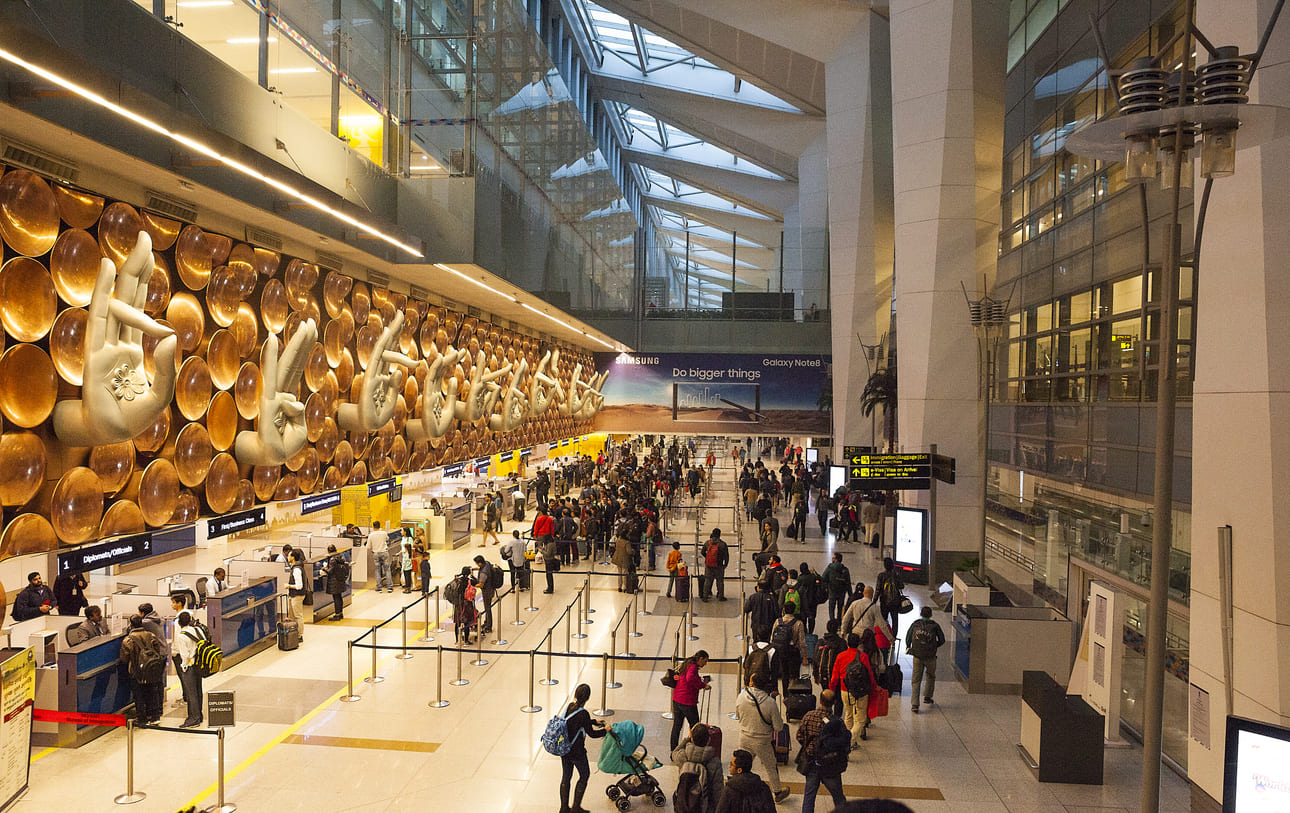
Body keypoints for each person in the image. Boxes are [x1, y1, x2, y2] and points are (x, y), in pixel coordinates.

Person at [734, 679, 790, 803]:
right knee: (771, 766)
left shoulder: (741, 696)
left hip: (744, 737)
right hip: (762, 741)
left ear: (752, 684)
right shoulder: (770, 703)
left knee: (742, 764)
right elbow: (778, 727)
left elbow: (737, 716)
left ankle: (736, 789)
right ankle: (777, 792)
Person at [796, 690, 850, 813]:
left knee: (809, 797)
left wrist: (809, 746)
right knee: (838, 797)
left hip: (811, 762)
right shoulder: (838, 722)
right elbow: (844, 744)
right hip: (831, 765)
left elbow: (799, 736)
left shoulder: (809, 716)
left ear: (820, 701)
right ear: (834, 703)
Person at [557, 683, 606, 813]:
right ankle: (576, 807)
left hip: (565, 750)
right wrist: (606, 731)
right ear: (588, 697)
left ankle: (563, 808)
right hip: (577, 752)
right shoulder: (584, 713)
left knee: (566, 777)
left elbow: (575, 722)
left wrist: (594, 721)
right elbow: (592, 734)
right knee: (584, 775)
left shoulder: (569, 707)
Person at [830, 632, 877, 743]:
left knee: (848, 715)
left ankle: (847, 740)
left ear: (847, 643)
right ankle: (849, 742)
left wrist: (831, 689)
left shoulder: (840, 656)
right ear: (858, 644)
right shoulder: (863, 656)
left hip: (844, 690)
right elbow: (869, 674)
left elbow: (835, 675)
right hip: (860, 691)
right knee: (860, 720)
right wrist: (874, 687)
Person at [118, 614, 165, 725]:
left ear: (131, 625)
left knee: (139, 694)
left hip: (136, 672)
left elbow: (124, 658)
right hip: (151, 670)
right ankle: (154, 716)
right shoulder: (151, 635)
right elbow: (157, 650)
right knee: (152, 692)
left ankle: (142, 718)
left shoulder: (128, 640)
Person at [671, 722, 724, 812]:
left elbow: (674, 752)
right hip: (705, 806)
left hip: (685, 804)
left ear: (692, 740)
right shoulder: (715, 763)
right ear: (708, 740)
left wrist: (688, 738)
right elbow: (717, 791)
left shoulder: (683, 756)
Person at [905, 605, 946, 712]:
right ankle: (927, 696)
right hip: (931, 657)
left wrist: (909, 647)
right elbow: (942, 640)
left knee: (916, 680)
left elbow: (908, 637)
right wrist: (934, 646)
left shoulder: (915, 624)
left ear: (921, 614)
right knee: (931, 676)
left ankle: (915, 704)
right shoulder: (935, 626)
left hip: (917, 656)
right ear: (931, 615)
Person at [670, 650, 712, 750]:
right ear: (700, 659)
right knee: (696, 727)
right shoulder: (693, 667)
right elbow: (689, 678)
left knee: (677, 726)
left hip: (677, 699)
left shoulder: (687, 663)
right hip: (687, 701)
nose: (705, 664)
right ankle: (696, 749)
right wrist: (702, 685)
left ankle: (673, 749)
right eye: (704, 661)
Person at [173, 610, 206, 728]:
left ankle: (193, 718)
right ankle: (199, 715)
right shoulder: (196, 630)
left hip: (190, 666)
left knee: (191, 693)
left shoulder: (182, 636)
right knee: (198, 691)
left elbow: (185, 655)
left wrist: (184, 666)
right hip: (198, 664)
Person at [769, 602, 807, 696]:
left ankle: (785, 696)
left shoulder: (778, 621)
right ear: (794, 611)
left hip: (780, 652)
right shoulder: (798, 623)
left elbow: (771, 639)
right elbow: (802, 642)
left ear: (784, 610)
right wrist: (805, 657)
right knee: (794, 676)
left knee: (784, 675)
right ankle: (793, 696)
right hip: (793, 652)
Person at [875, 557, 905, 650]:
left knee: (883, 621)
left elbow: (878, 589)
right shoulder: (896, 574)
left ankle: (884, 638)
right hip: (895, 602)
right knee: (895, 621)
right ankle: (893, 640)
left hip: (884, 602)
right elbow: (902, 586)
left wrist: (873, 601)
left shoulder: (881, 575)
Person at [448, 567, 477, 643]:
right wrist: (472, 575)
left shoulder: (457, 580)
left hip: (458, 604)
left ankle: (457, 640)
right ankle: (466, 640)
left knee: (458, 622)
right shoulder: (469, 581)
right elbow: (477, 582)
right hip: (467, 604)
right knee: (467, 622)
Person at [699, 529, 729, 602]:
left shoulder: (707, 543)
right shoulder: (722, 544)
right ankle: (720, 596)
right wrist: (725, 564)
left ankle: (705, 596)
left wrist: (707, 558)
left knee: (707, 581)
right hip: (719, 565)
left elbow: (702, 552)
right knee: (720, 581)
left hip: (709, 565)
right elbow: (726, 555)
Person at [821, 553, 851, 624]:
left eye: (833, 558)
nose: (832, 559)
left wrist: (825, 587)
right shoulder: (845, 569)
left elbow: (823, 578)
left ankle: (832, 622)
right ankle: (839, 622)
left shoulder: (830, 568)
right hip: (842, 591)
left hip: (832, 590)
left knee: (831, 607)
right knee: (840, 607)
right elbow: (848, 583)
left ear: (836, 559)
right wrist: (850, 595)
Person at [322, 545, 349, 620]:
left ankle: (337, 615)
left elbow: (330, 571)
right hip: (340, 580)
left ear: (329, 551)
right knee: (339, 597)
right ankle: (340, 613)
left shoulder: (332, 559)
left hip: (334, 581)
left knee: (336, 598)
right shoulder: (340, 557)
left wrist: (324, 569)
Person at [286, 549, 308, 641]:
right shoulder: (296, 567)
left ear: (293, 557)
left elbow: (299, 586)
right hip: (294, 595)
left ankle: (299, 635)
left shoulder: (297, 569)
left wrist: (288, 586)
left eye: (289, 555)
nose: (288, 557)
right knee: (291, 616)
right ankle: (292, 633)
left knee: (298, 615)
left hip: (297, 595)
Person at [796, 562, 823, 634]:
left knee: (803, 619)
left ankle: (805, 633)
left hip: (803, 602)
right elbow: (820, 579)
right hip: (813, 601)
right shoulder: (813, 577)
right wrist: (814, 573)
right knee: (812, 618)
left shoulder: (800, 578)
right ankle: (810, 632)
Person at [474, 555, 496, 634]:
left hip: (487, 591)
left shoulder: (483, 573)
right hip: (491, 588)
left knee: (487, 608)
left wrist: (472, 585)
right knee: (487, 607)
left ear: (480, 563)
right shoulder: (487, 564)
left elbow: (481, 584)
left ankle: (489, 626)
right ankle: (487, 622)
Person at [369, 521, 393, 592]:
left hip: (376, 553)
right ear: (379, 526)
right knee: (387, 569)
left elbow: (368, 546)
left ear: (373, 527)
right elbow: (387, 539)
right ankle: (389, 587)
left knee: (377, 570)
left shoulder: (371, 535)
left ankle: (379, 587)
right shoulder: (384, 533)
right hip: (384, 552)